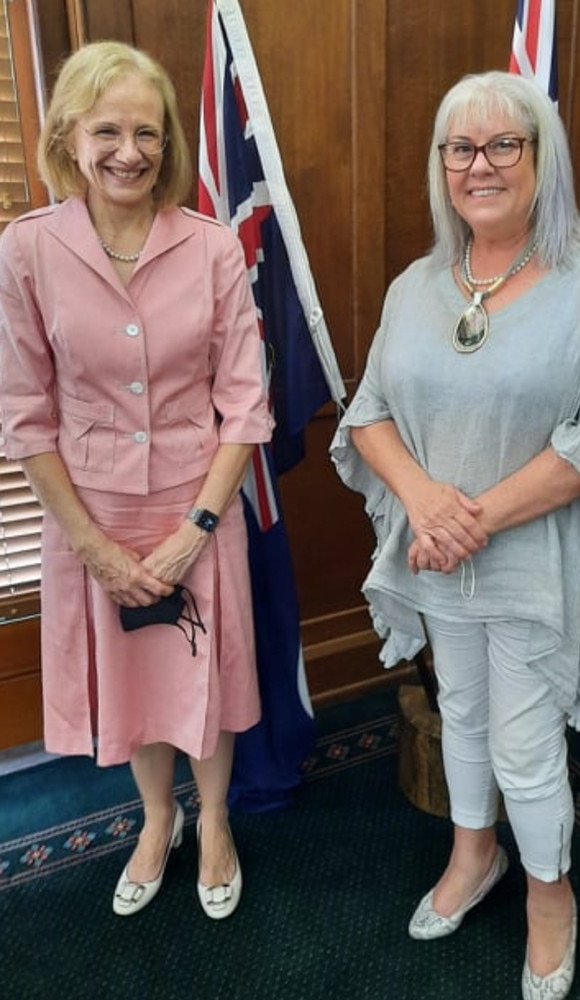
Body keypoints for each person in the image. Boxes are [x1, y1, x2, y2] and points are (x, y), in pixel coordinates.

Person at [331, 70, 580, 1000]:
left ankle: (552, 894)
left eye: (504, 144)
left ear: (541, 157)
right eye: (461, 148)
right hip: (438, 557)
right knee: (460, 714)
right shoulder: (418, 285)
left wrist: (465, 521)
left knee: (523, 743)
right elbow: (370, 415)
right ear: (442, 167)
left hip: (534, 562)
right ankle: (476, 856)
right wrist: (427, 504)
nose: (481, 164)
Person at [0, 41, 274, 920]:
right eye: (108, 130)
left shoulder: (210, 248)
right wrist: (95, 548)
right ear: (69, 140)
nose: (129, 150)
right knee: (135, 682)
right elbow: (22, 411)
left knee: (207, 677)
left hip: (201, 498)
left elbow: (247, 405)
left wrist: (197, 524)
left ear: (167, 145)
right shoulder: (28, 250)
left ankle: (218, 820)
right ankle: (157, 820)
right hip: (90, 513)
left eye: (147, 132)